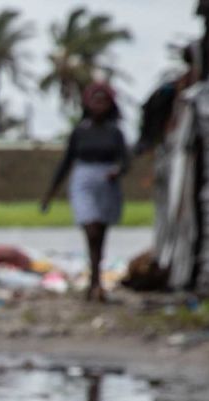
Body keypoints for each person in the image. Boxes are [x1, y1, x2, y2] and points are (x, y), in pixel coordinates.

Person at [42, 82, 131, 302]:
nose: (99, 105)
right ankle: (94, 281)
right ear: (88, 104)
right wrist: (50, 194)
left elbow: (126, 161)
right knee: (90, 228)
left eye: (103, 101)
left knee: (101, 232)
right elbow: (65, 163)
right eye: (95, 100)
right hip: (83, 180)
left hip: (107, 182)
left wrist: (117, 172)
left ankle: (96, 282)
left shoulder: (115, 133)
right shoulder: (80, 132)